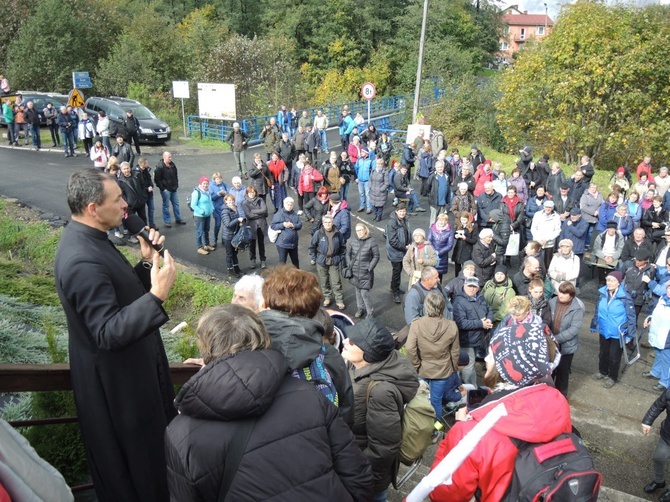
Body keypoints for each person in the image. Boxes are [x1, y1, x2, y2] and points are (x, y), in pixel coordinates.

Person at [166, 305, 373, 501]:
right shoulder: (309, 393)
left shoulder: (180, 434)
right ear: (263, 339)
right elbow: (358, 475)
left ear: (206, 348)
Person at [54, 168, 177, 502]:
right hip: (120, 394)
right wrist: (157, 297)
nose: (126, 205)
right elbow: (106, 332)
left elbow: (115, 295)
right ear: (93, 208)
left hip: (130, 381)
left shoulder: (90, 241)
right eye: (118, 199)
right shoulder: (81, 259)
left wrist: (147, 263)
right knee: (139, 472)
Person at [429, 319, 571, 502]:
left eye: (493, 354)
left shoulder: (471, 434)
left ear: (510, 367)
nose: (486, 358)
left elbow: (441, 494)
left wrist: (455, 437)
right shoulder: (558, 403)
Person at [343, 318, 419, 502]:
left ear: (368, 354)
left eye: (353, 341)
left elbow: (383, 448)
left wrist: (365, 481)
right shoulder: (358, 367)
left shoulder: (381, 392)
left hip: (366, 479)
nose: (345, 341)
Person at [406, 291, 461, 419]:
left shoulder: (417, 324)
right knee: (436, 401)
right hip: (442, 370)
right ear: (442, 307)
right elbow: (455, 351)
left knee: (419, 400)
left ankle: (420, 427)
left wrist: (416, 365)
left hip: (422, 369)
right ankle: (436, 430)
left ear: (426, 306)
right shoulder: (451, 325)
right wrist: (453, 367)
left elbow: (410, 348)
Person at [590, 271, 636, 389]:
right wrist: (594, 324)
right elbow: (597, 310)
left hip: (618, 333)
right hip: (604, 330)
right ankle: (602, 371)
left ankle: (612, 377)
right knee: (603, 353)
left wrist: (630, 335)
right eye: (608, 280)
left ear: (619, 282)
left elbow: (631, 317)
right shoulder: (602, 294)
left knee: (614, 357)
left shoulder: (625, 297)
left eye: (612, 280)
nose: (609, 283)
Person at [453, 277, 494, 386]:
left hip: (479, 337)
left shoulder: (480, 297)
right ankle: (471, 388)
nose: (471, 289)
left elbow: (489, 309)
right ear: (464, 286)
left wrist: (489, 318)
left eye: (474, 286)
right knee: (468, 365)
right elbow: (461, 323)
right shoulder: (459, 301)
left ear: (478, 288)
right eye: (469, 286)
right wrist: (481, 324)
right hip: (467, 339)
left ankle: (466, 386)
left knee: (471, 363)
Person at [548, 281, 584, 397]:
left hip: (566, 347)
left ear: (571, 295)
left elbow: (574, 329)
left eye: (564, 293)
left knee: (563, 374)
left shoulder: (576, 309)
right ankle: (548, 395)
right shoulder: (552, 302)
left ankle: (561, 397)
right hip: (551, 344)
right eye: (560, 292)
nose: (561, 295)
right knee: (550, 372)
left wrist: (556, 338)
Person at [309, 215, 346, 310]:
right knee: (324, 281)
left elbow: (343, 247)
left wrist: (340, 258)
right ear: (323, 223)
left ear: (332, 223)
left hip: (334, 260)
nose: (327, 224)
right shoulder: (318, 233)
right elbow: (312, 247)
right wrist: (315, 258)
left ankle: (339, 300)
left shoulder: (338, 234)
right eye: (325, 222)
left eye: (329, 222)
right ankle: (327, 297)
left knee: (336, 281)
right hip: (321, 261)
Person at [642, 381, 670, 502]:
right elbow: (658, 405)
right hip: (668, 434)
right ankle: (659, 481)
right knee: (658, 457)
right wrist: (647, 422)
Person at [347, 223, 380, 319]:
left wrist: (370, 267)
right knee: (357, 291)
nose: (359, 232)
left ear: (365, 230)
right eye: (357, 230)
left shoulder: (371, 241)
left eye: (361, 230)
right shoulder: (353, 241)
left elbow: (376, 256)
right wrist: (349, 264)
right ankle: (360, 308)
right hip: (355, 272)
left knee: (364, 293)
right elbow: (347, 254)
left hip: (366, 273)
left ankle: (370, 312)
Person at [386, 203, 411, 304]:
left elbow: (407, 233)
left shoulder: (405, 219)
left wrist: (409, 243)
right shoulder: (392, 222)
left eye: (404, 211)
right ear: (396, 211)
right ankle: (395, 292)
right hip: (395, 251)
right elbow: (392, 240)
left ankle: (394, 287)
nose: (402, 213)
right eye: (400, 211)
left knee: (399, 270)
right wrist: (404, 247)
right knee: (397, 271)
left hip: (403, 249)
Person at [154, 151, 186, 228]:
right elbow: (157, 179)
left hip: (173, 188)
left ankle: (178, 218)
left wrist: (176, 185)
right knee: (166, 205)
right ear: (164, 157)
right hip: (166, 190)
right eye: (169, 157)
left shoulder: (172, 165)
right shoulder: (160, 167)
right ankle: (167, 221)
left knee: (176, 204)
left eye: (171, 157)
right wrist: (163, 188)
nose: (170, 158)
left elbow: (175, 175)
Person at [241, 185, 268, 270]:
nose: (251, 194)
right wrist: (259, 214)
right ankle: (253, 260)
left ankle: (263, 260)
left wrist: (253, 211)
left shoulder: (260, 200)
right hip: (251, 226)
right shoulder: (244, 202)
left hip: (261, 225)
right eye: (250, 192)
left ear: (255, 192)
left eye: (253, 192)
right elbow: (249, 215)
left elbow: (265, 210)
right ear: (247, 193)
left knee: (261, 244)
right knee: (252, 244)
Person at [271, 196, 302, 267]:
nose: (290, 206)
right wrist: (283, 225)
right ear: (284, 205)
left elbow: (300, 225)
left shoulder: (295, 214)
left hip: (293, 243)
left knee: (295, 262)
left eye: (291, 205)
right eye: (288, 205)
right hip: (282, 243)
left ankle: (297, 277)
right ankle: (280, 277)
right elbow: (273, 226)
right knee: (282, 262)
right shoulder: (279, 214)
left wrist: (293, 225)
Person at [531, 199, 562, 270]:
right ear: (543, 207)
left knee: (548, 260)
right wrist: (539, 239)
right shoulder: (537, 214)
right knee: (536, 259)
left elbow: (558, 230)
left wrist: (547, 239)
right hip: (538, 241)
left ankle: (546, 275)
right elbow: (533, 228)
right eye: (546, 207)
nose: (548, 209)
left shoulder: (556, 216)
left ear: (552, 208)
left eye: (550, 207)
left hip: (549, 242)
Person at [592, 221, 625, 285]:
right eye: (610, 229)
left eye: (613, 229)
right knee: (601, 269)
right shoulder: (600, 236)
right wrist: (604, 257)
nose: (612, 230)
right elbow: (597, 249)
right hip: (602, 255)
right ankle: (601, 283)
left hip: (614, 256)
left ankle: (610, 284)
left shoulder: (620, 237)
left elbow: (620, 250)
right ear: (607, 229)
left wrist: (613, 258)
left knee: (611, 272)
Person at [118, 161, 147, 231]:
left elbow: (143, 185)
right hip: (131, 206)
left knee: (143, 218)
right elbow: (121, 194)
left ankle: (146, 233)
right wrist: (127, 202)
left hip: (141, 202)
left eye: (127, 168)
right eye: (124, 169)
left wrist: (144, 196)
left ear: (130, 168)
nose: (126, 170)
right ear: (121, 170)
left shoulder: (137, 175)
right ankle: (133, 235)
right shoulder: (120, 181)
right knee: (132, 221)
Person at [191, 176, 215, 256]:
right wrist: (201, 211)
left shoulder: (208, 191)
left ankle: (207, 245)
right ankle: (200, 247)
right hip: (199, 216)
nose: (205, 185)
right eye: (204, 183)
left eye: (207, 183)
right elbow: (193, 205)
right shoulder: (196, 192)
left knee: (206, 230)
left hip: (207, 215)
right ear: (200, 184)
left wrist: (212, 209)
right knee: (200, 232)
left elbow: (210, 201)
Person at [221, 194, 244, 274]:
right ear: (226, 201)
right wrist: (238, 220)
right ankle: (230, 270)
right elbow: (228, 224)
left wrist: (240, 223)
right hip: (228, 236)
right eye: (229, 200)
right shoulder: (225, 211)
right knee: (229, 254)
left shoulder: (235, 208)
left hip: (235, 234)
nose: (231, 202)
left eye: (232, 200)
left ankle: (236, 268)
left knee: (235, 253)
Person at [428, 213, 455, 281]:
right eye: (440, 220)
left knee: (439, 276)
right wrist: (433, 251)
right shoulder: (432, 228)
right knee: (430, 274)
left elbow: (450, 245)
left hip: (442, 256)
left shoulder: (449, 231)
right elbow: (429, 240)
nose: (441, 222)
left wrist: (439, 252)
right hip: (432, 255)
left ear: (446, 221)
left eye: (443, 220)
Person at [452, 212, 477, 277]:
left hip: (467, 250)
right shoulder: (460, 225)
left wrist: (465, 238)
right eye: (461, 219)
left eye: (464, 220)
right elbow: (454, 233)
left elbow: (474, 240)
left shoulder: (474, 227)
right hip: (458, 249)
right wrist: (456, 236)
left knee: (466, 267)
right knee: (457, 266)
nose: (462, 221)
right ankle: (457, 278)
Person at [135, 157, 157, 230]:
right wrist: (147, 189)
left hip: (149, 194)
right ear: (142, 164)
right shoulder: (137, 173)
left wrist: (151, 185)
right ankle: (145, 226)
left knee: (151, 209)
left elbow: (149, 179)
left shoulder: (146, 170)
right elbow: (139, 186)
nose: (148, 164)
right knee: (142, 213)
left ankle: (151, 224)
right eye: (147, 162)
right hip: (143, 195)